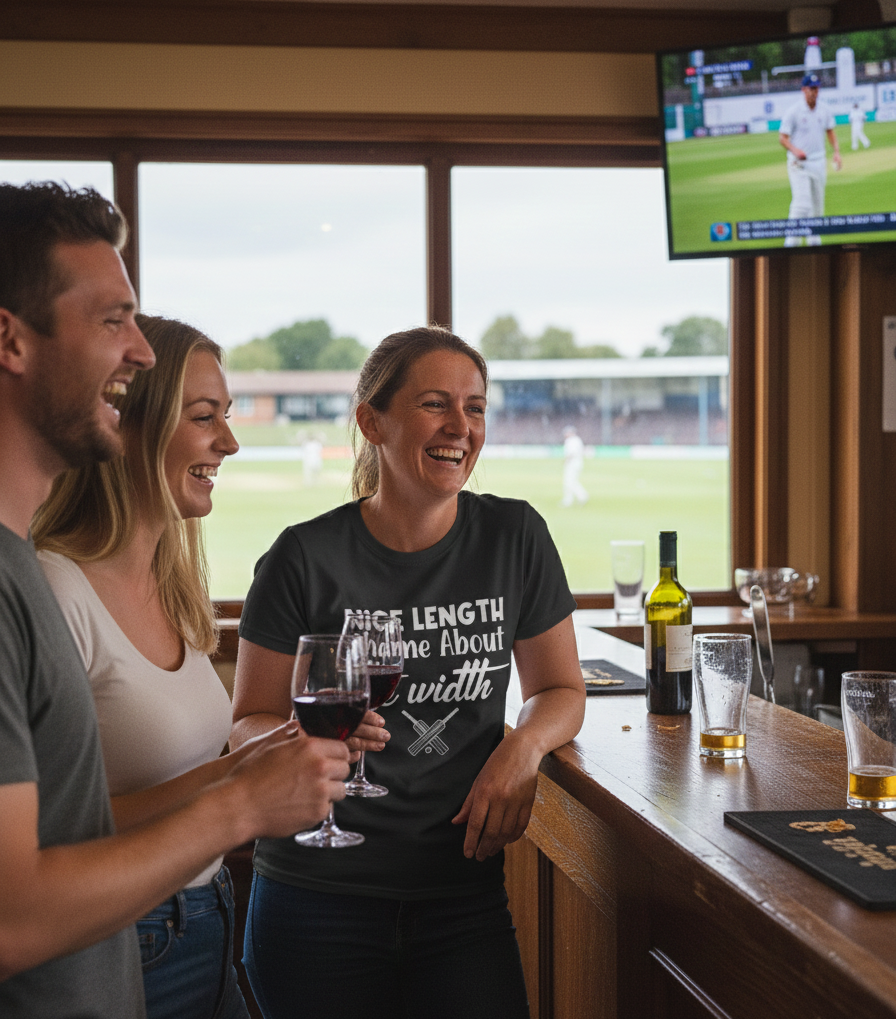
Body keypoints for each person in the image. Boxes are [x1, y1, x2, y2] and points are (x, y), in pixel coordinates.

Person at [0, 181, 350, 1019]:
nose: (141, 352)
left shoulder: (26, 570)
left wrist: (251, 768)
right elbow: (13, 913)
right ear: (10, 341)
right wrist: (240, 800)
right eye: (112, 321)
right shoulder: (34, 585)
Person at [230, 325, 586, 1019]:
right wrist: (306, 744)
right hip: (314, 897)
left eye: (475, 407)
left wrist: (523, 746)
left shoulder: (516, 536)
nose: (461, 426)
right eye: (435, 404)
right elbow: (247, 722)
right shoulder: (300, 556)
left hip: (462, 894)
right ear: (372, 421)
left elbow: (560, 690)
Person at [33, 315, 251, 1019]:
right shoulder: (56, 588)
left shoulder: (178, 587)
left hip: (214, 914)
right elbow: (50, 837)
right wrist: (234, 784)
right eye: (204, 417)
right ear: (128, 427)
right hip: (129, 939)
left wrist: (262, 763)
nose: (229, 441)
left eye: (227, 415)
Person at [779, 72, 841, 247]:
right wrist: (795, 150)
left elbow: (830, 131)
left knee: (817, 208)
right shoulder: (794, 112)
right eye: (811, 88)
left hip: (818, 162)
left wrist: (836, 152)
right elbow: (783, 138)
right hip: (799, 164)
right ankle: (790, 245)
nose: (815, 92)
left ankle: (815, 243)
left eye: (817, 88)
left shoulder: (825, 109)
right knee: (802, 204)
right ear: (804, 90)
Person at [561, 423, 588, 506]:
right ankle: (571, 499)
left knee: (569, 482)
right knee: (571, 482)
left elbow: (571, 453)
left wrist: (566, 461)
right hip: (578, 463)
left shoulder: (571, 441)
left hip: (572, 463)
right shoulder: (577, 440)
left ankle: (581, 496)